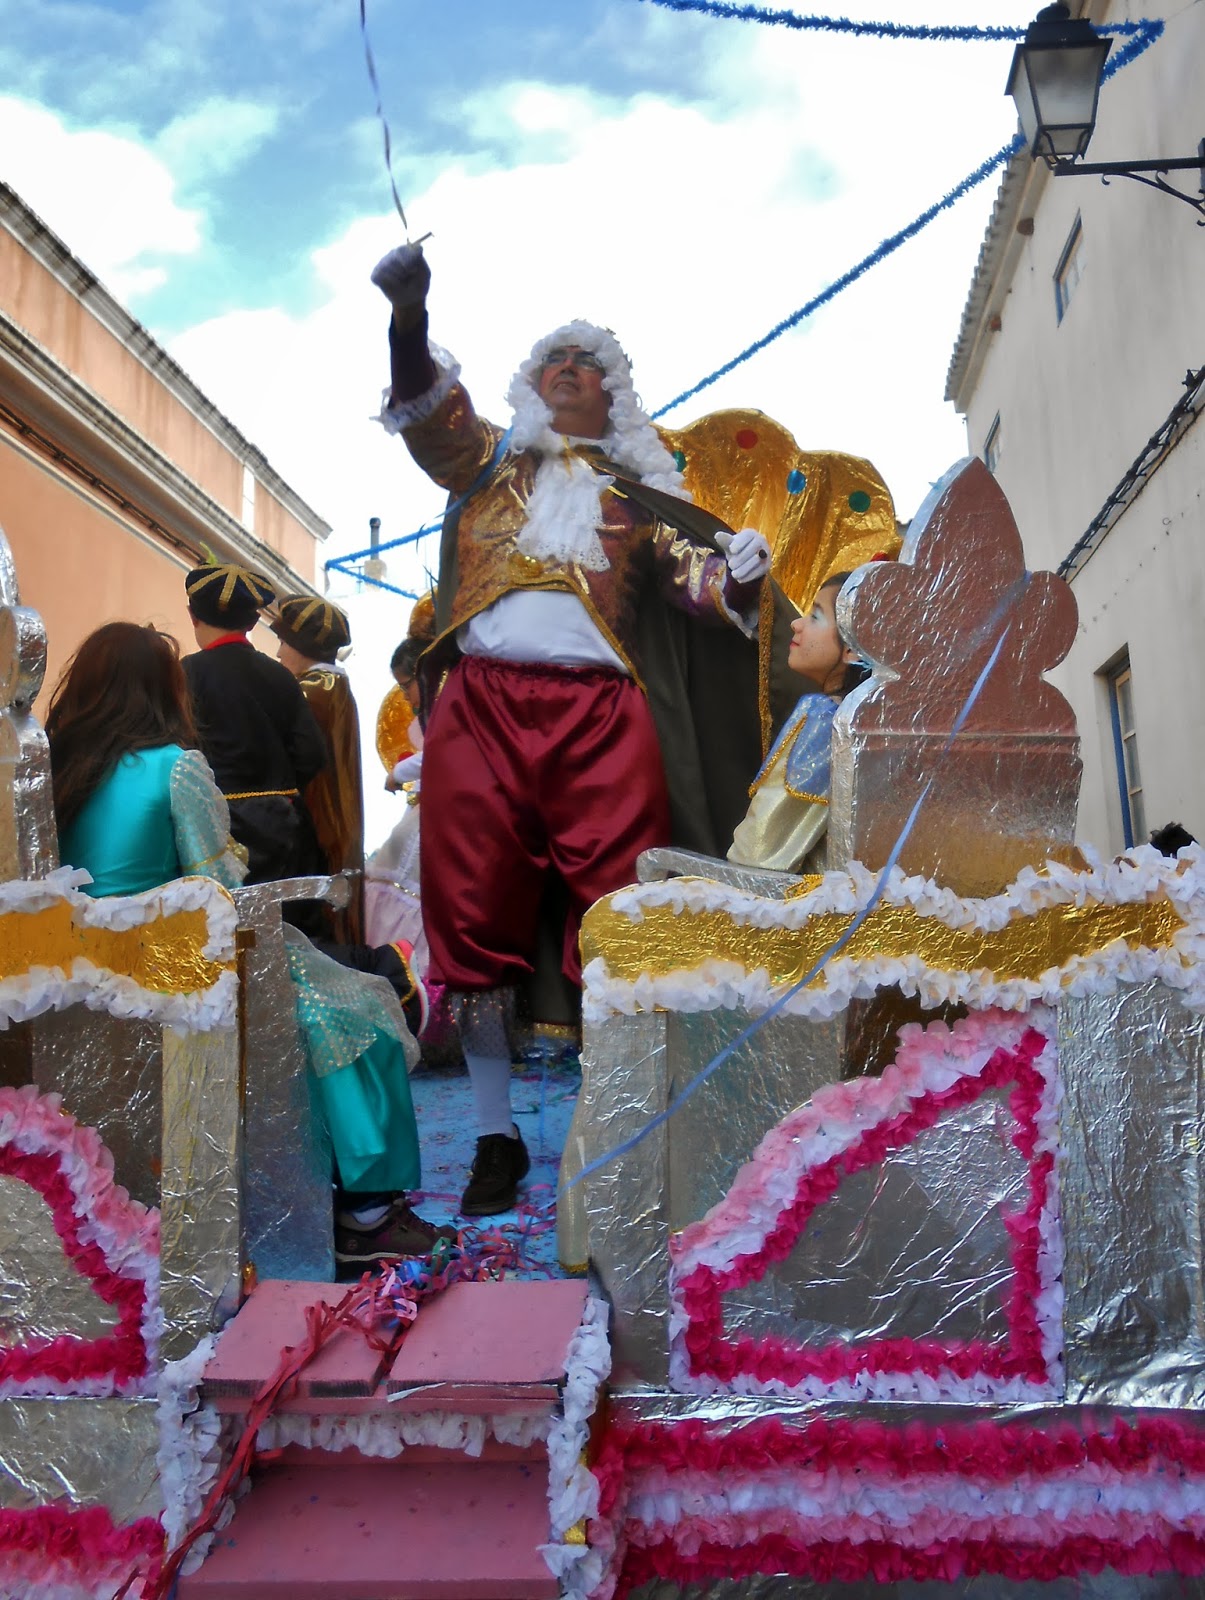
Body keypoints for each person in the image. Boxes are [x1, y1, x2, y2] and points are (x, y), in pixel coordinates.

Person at [372, 242, 776, 1215]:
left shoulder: (637, 507)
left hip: (601, 720)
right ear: (529, 387)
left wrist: (741, 576)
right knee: (471, 922)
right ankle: (495, 1136)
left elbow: (703, 589)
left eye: (585, 363)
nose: (566, 367)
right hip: (482, 712)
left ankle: (618, 1120)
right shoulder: (484, 468)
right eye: (552, 359)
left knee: (622, 914)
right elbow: (427, 412)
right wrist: (409, 320)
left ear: (612, 398)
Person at [48, 621, 451, 1264]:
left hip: (74, 973)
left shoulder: (55, 768)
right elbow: (220, 890)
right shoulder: (176, 767)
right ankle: (367, 1212)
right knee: (357, 1014)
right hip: (172, 965)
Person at [181, 564, 327, 885]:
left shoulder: (185, 674)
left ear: (193, 616)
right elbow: (312, 753)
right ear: (252, 621)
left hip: (212, 831)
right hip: (282, 829)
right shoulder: (282, 676)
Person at [728, 572, 868, 874]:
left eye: (815, 616)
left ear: (852, 649)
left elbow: (755, 853)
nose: (796, 624)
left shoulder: (826, 720)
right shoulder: (881, 724)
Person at [272, 595, 365, 942]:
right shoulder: (334, 687)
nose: (279, 652)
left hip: (314, 827)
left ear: (302, 646)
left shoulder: (311, 692)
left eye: (284, 643)